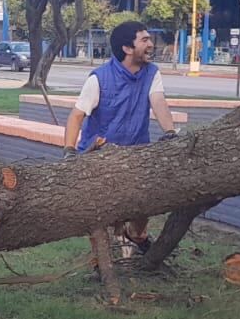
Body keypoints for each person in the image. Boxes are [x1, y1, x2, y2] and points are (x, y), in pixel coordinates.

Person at [63, 20, 178, 253]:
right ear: (127, 48)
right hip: (100, 158)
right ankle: (100, 262)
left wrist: (171, 133)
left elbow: (159, 103)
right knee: (102, 215)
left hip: (137, 153)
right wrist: (69, 151)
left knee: (147, 201)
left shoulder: (152, 73)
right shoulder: (99, 78)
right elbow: (76, 116)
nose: (150, 44)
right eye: (144, 40)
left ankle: (136, 235)